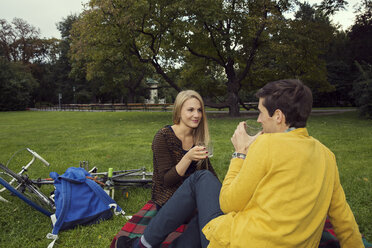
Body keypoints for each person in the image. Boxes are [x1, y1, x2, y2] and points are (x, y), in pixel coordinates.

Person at [117, 79, 364, 248]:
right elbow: (344, 221)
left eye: (260, 112)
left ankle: (143, 244)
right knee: (207, 207)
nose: (258, 118)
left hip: (243, 241)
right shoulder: (326, 154)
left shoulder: (266, 145)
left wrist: (240, 154)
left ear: (278, 116)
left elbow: (228, 202)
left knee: (203, 183)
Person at [151, 90, 218, 209]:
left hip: (194, 196)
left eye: (199, 110)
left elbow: (208, 173)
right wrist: (188, 157)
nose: (197, 115)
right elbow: (167, 181)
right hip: (168, 200)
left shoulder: (198, 138)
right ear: (178, 112)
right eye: (190, 110)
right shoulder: (163, 137)